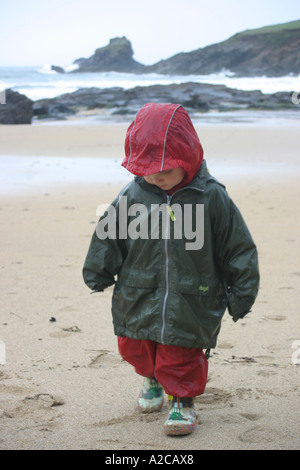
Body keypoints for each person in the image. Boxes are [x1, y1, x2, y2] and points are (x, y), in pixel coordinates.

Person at [83, 102, 260, 436]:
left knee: (180, 352)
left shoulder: (211, 197)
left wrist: (242, 292)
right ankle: (150, 379)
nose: (156, 175)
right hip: (138, 289)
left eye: (165, 167)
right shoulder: (133, 195)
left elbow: (238, 248)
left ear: (188, 157)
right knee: (136, 344)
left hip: (193, 294)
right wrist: (99, 270)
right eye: (147, 168)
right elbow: (109, 235)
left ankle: (182, 400)